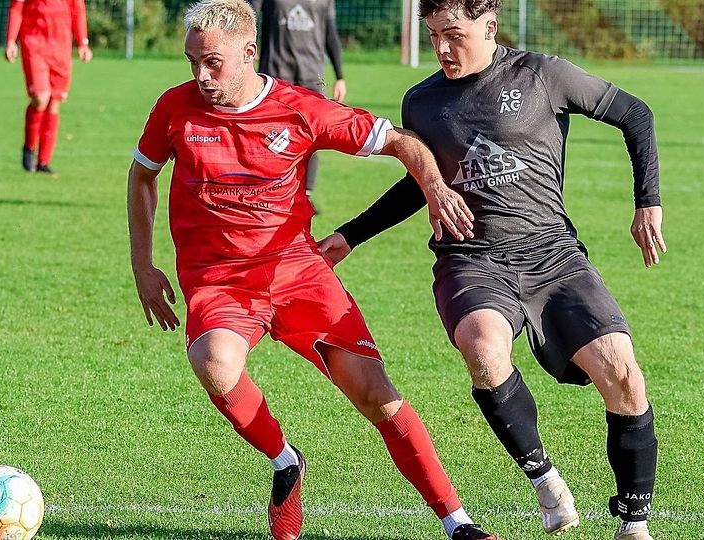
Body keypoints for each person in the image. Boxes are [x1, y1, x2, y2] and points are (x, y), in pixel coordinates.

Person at [126, 1, 497, 539]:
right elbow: (142, 177)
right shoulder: (174, 108)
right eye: (193, 62)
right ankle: (285, 461)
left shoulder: (299, 109)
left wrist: (435, 187)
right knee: (214, 362)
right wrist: (142, 265)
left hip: (297, 272)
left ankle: (458, 523)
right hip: (218, 280)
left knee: (376, 395)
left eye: (212, 63)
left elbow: (400, 142)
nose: (201, 76)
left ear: (249, 53)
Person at [319, 0, 665, 539]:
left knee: (622, 373)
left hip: (553, 255)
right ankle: (545, 481)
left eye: (453, 35)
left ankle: (634, 524)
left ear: (490, 27)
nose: (441, 48)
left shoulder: (543, 75)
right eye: (433, 35)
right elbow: (423, 183)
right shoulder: (422, 102)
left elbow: (635, 114)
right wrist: (351, 234)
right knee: (482, 348)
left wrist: (648, 202)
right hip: (470, 259)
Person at [250, 0, 348, 206]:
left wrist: (340, 76)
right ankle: (268, 192)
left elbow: (330, 33)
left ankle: (305, 196)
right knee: (267, 136)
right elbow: (249, 14)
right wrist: (249, 43)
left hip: (311, 76)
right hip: (275, 74)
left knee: (311, 138)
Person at [5, 0, 93, 175]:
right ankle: (29, 148)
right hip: (34, 43)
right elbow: (17, 7)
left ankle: (43, 162)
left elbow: (78, 10)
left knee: (54, 102)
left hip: (61, 47)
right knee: (41, 97)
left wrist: (83, 43)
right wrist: (11, 40)